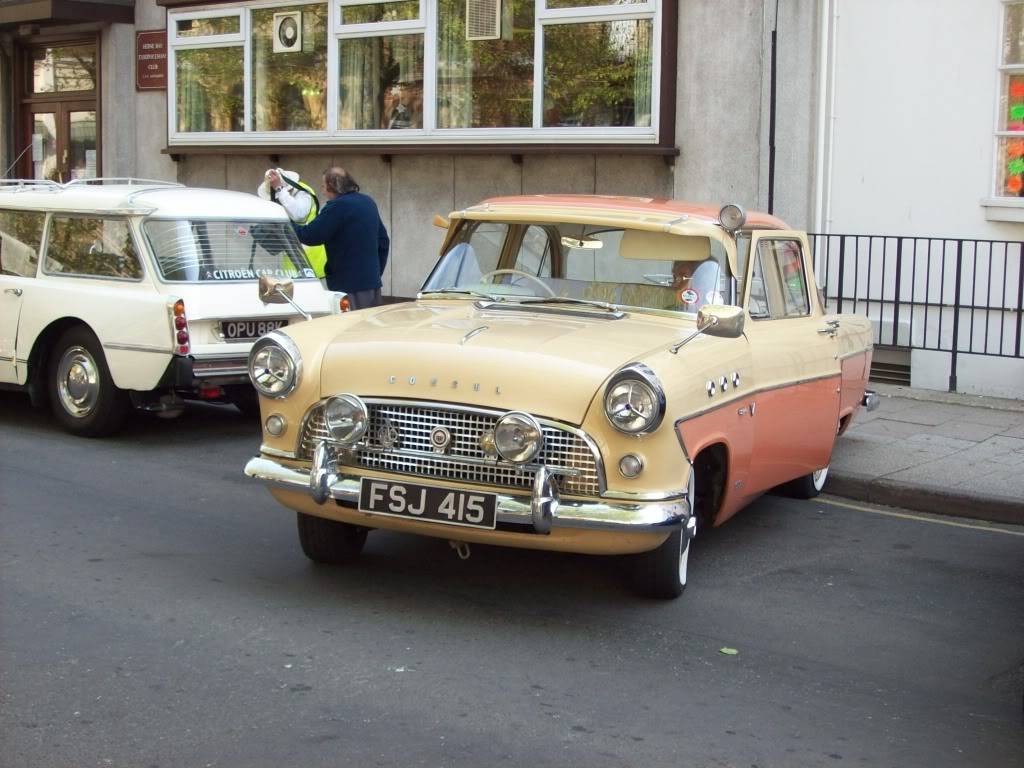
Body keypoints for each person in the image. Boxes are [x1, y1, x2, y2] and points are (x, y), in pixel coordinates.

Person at [292, 167, 390, 310]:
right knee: (369, 330)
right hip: (372, 285)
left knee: (349, 330)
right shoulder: (368, 202)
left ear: (332, 187)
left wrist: (286, 224)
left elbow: (310, 236)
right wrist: (374, 273)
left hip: (348, 287)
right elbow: (383, 241)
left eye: (323, 186)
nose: (323, 191)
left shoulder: (337, 207)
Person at [257, 169, 327, 279]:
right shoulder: (285, 198)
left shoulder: (303, 193)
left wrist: (279, 189)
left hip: (314, 262)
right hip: (293, 265)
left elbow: (299, 214)